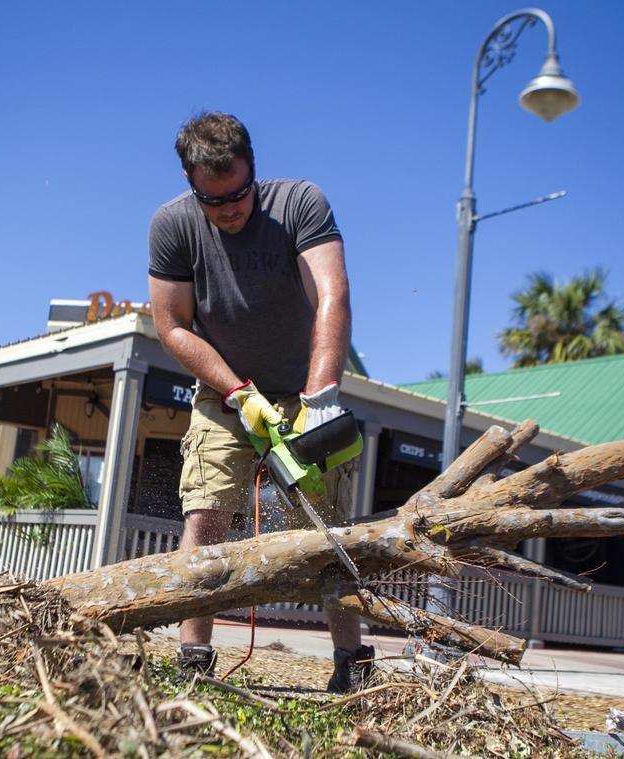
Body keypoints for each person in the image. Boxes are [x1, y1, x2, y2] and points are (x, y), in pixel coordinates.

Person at [148, 111, 372, 693]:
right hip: (224, 394)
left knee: (325, 525)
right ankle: (193, 661)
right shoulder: (172, 226)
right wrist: (237, 392)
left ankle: (352, 660)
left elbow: (333, 293)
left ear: (254, 171)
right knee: (206, 515)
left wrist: (321, 395)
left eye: (239, 195)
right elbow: (172, 327)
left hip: (304, 390)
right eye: (213, 200)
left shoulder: (299, 203)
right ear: (192, 186)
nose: (229, 210)